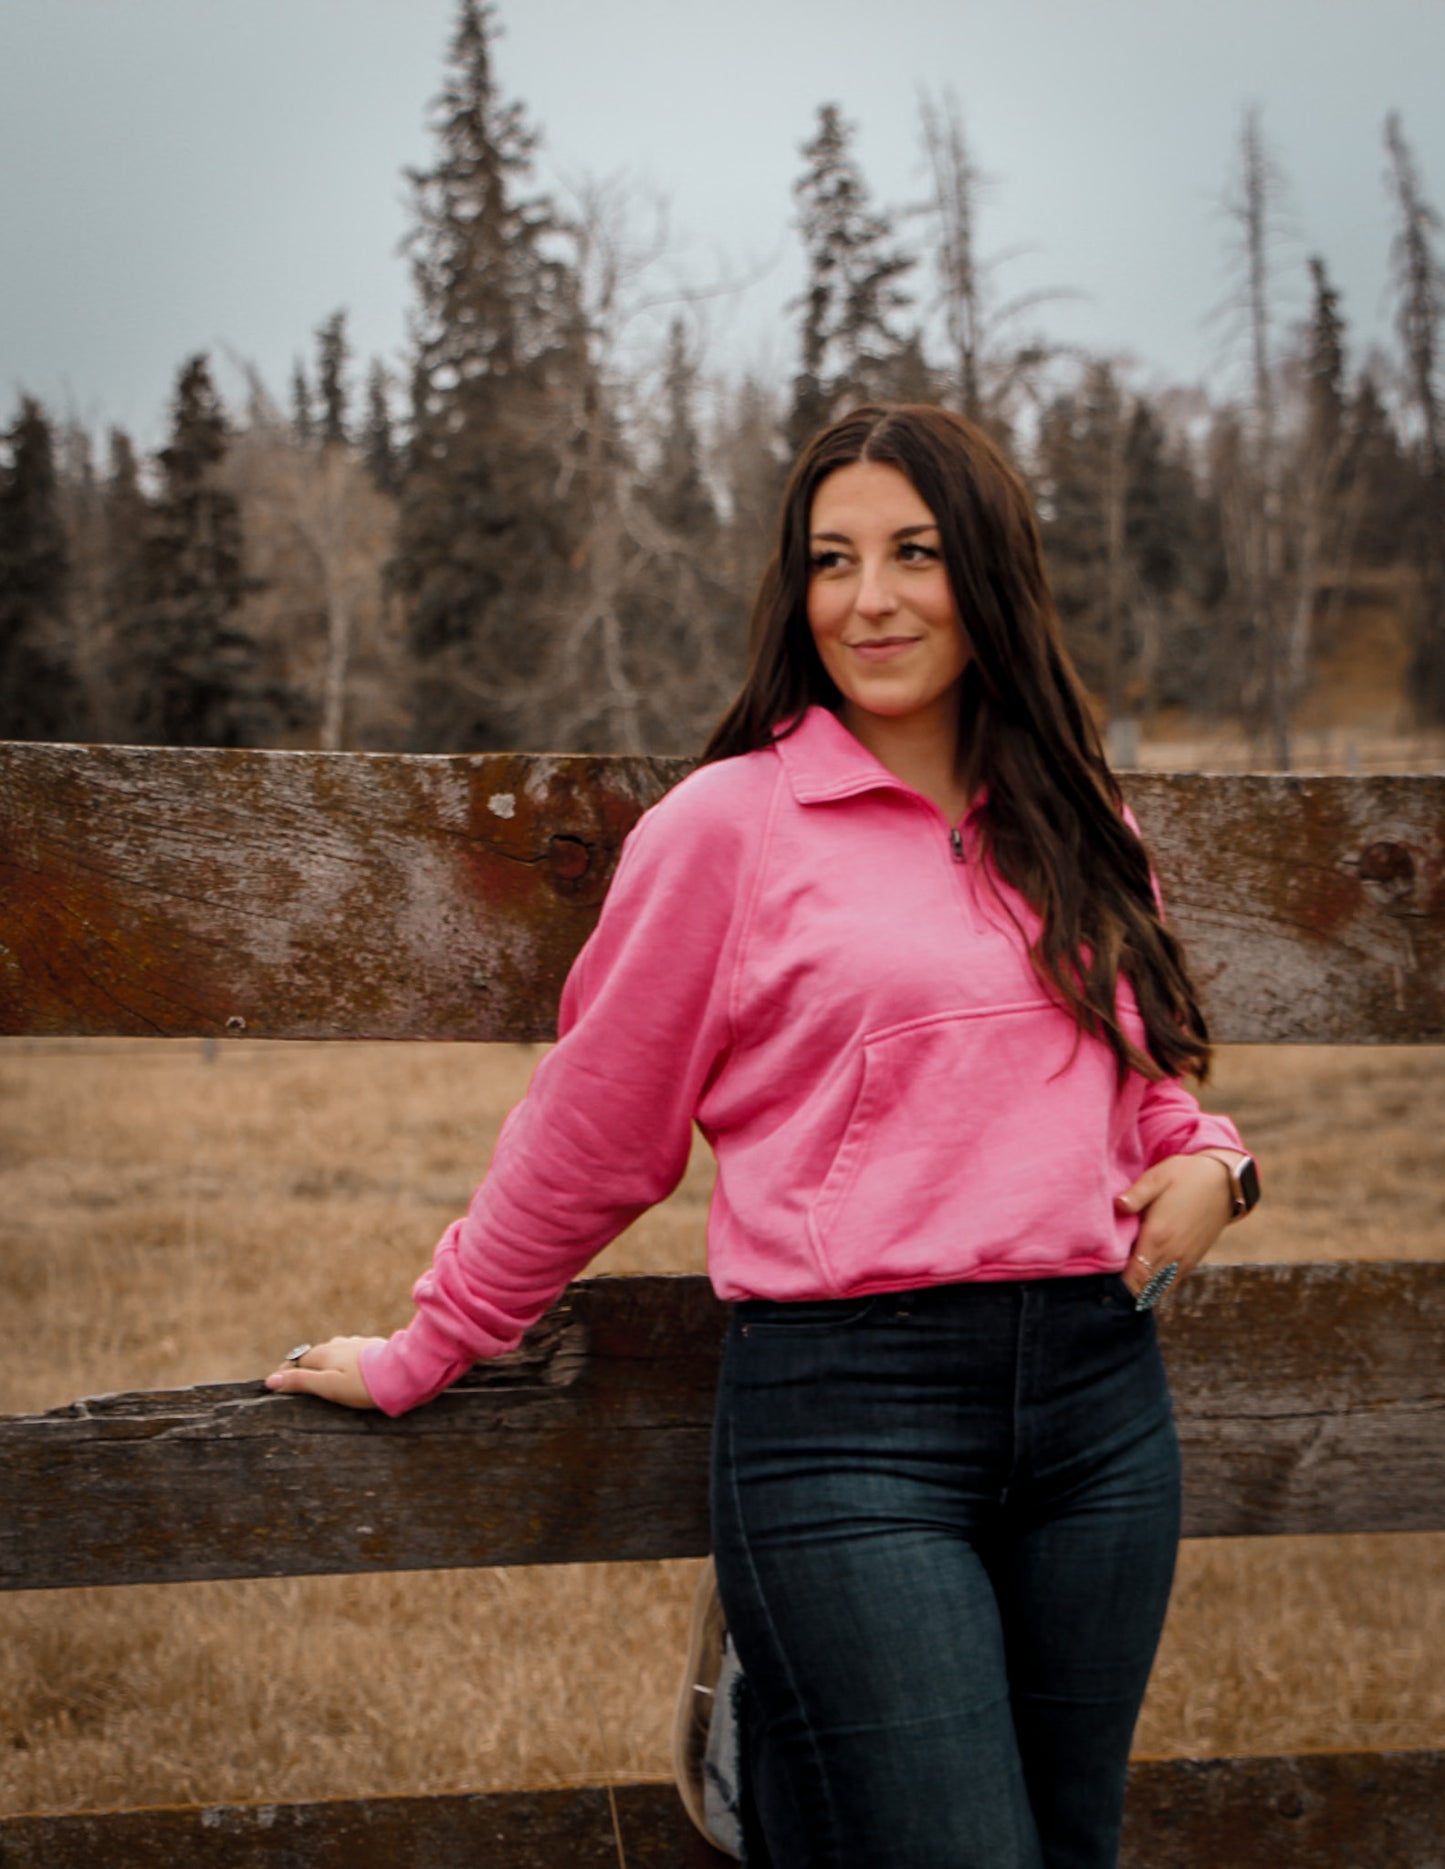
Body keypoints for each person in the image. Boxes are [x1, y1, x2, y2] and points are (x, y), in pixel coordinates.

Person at [267, 403, 1257, 1868]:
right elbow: (595, 1134)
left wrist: (1215, 1161)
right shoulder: (725, 828)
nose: (869, 599)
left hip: (1097, 1411)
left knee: (1069, 1843)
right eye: (831, 559)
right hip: (850, 1425)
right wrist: (433, 1343)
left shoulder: (1079, 820)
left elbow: (1140, 1074)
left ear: (987, 572)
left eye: (914, 553)